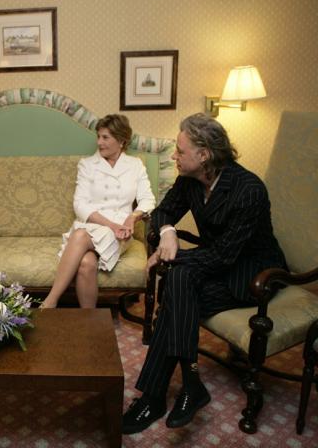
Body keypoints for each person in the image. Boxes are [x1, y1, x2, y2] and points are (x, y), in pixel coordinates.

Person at [122, 114, 286, 434]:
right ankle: (190, 383)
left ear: (204, 154)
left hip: (251, 274)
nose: (175, 156)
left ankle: (154, 396)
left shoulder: (248, 190)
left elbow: (225, 257)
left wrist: (169, 257)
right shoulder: (191, 179)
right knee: (179, 282)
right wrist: (168, 233)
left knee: (175, 286)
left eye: (181, 151)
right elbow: (164, 211)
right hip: (216, 261)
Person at [41, 114, 156, 308]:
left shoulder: (135, 165)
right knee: (86, 263)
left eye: (105, 137)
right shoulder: (87, 164)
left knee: (78, 236)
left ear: (121, 141)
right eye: (99, 137)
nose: (99, 142)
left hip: (121, 232)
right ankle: (90, 323)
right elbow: (80, 205)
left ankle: (51, 301)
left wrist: (132, 218)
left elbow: (148, 199)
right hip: (94, 225)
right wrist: (110, 224)